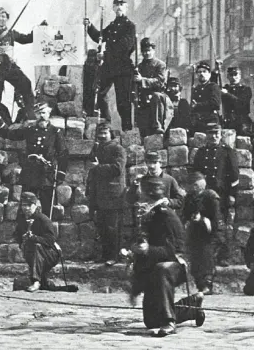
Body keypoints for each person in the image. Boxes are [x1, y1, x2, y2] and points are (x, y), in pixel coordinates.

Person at [130, 179, 187, 337]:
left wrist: (148, 250)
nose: (141, 203)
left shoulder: (166, 216)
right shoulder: (148, 216)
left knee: (162, 269)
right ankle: (191, 308)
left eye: (144, 199)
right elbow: (140, 239)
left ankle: (169, 321)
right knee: (151, 321)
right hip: (154, 266)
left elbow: (172, 250)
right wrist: (136, 248)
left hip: (175, 264)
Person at [0, 100, 68, 217]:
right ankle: (26, 230)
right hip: (30, 172)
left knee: (47, 208)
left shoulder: (56, 132)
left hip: (46, 175)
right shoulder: (29, 130)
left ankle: (45, 232)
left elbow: (63, 154)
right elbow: (9, 134)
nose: (41, 116)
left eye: (43, 112)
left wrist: (60, 174)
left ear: (49, 113)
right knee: (26, 205)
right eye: (38, 113)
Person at [84, 0, 136, 130]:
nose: (119, 7)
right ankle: (105, 122)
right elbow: (99, 37)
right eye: (116, 5)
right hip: (109, 66)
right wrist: (90, 26)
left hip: (123, 67)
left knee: (123, 101)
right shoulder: (113, 26)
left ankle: (127, 129)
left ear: (126, 7)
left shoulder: (130, 26)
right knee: (99, 93)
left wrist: (105, 54)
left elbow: (126, 46)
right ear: (113, 8)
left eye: (121, 5)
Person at [192, 122, 239, 266]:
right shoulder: (201, 152)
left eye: (216, 133)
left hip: (221, 195)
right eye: (211, 133)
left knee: (220, 225)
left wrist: (232, 195)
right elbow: (196, 174)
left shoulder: (227, 152)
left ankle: (223, 256)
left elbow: (235, 176)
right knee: (204, 224)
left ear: (220, 135)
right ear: (207, 135)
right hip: (205, 195)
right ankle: (206, 256)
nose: (214, 136)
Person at [86, 123, 127, 266]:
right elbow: (91, 168)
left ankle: (114, 256)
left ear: (111, 134)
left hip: (113, 194)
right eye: (99, 133)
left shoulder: (118, 149)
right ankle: (104, 255)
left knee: (112, 227)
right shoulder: (97, 148)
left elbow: (117, 169)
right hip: (99, 194)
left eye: (105, 133)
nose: (102, 136)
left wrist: (99, 167)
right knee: (102, 227)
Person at [183, 171, 223, 294]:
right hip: (195, 233)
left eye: (190, 185)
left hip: (209, 235)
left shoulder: (211, 197)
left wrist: (203, 220)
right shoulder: (189, 198)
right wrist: (190, 221)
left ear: (196, 185)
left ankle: (207, 284)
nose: (187, 188)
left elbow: (216, 220)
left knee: (206, 257)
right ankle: (200, 284)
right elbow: (185, 214)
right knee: (195, 259)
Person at [14, 192, 62, 292]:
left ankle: (36, 281)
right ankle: (40, 280)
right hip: (34, 253)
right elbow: (17, 235)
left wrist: (34, 237)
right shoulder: (22, 220)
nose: (26, 208)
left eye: (29, 205)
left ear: (35, 206)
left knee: (37, 246)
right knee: (31, 249)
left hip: (51, 253)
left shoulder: (43, 219)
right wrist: (22, 240)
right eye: (24, 205)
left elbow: (51, 240)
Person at [134, 37, 173, 140]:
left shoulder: (160, 65)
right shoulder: (139, 67)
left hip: (158, 98)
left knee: (156, 97)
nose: (146, 53)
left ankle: (158, 126)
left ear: (153, 50)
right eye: (144, 51)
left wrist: (142, 80)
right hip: (143, 98)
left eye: (149, 50)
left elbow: (160, 82)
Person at [191, 61, 221, 134]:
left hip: (211, 121)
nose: (201, 74)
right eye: (199, 72)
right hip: (198, 121)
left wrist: (198, 105)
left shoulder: (213, 87)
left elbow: (215, 103)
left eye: (204, 71)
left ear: (209, 74)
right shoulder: (196, 89)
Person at [221, 66, 253, 136]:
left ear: (240, 76)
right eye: (231, 75)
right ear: (227, 77)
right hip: (228, 122)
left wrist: (227, 94)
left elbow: (241, 103)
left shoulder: (245, 89)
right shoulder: (225, 88)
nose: (233, 77)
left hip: (242, 123)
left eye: (235, 74)